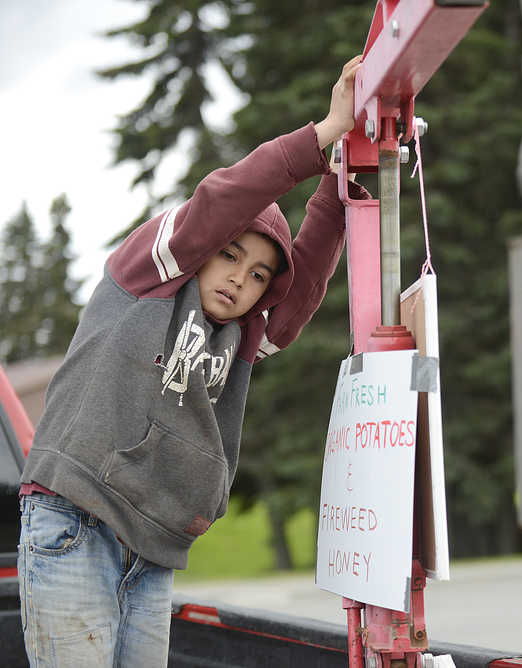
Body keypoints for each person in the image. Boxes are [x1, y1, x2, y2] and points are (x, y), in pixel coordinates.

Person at [17, 55, 366, 666]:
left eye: (258, 275)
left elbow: (303, 284)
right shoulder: (146, 276)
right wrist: (322, 136)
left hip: (153, 549)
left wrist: (337, 192)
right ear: (202, 251)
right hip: (77, 522)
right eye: (228, 256)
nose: (239, 279)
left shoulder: (243, 336)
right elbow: (222, 200)